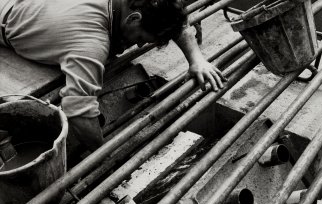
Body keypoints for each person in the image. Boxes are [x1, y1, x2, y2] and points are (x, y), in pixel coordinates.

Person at [0, 0, 225, 152]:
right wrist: (105, 152)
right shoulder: (90, 44)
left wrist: (197, 59)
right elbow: (78, 114)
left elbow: (174, 16)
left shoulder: (136, 4)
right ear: (133, 19)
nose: (139, 44)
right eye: (142, 37)